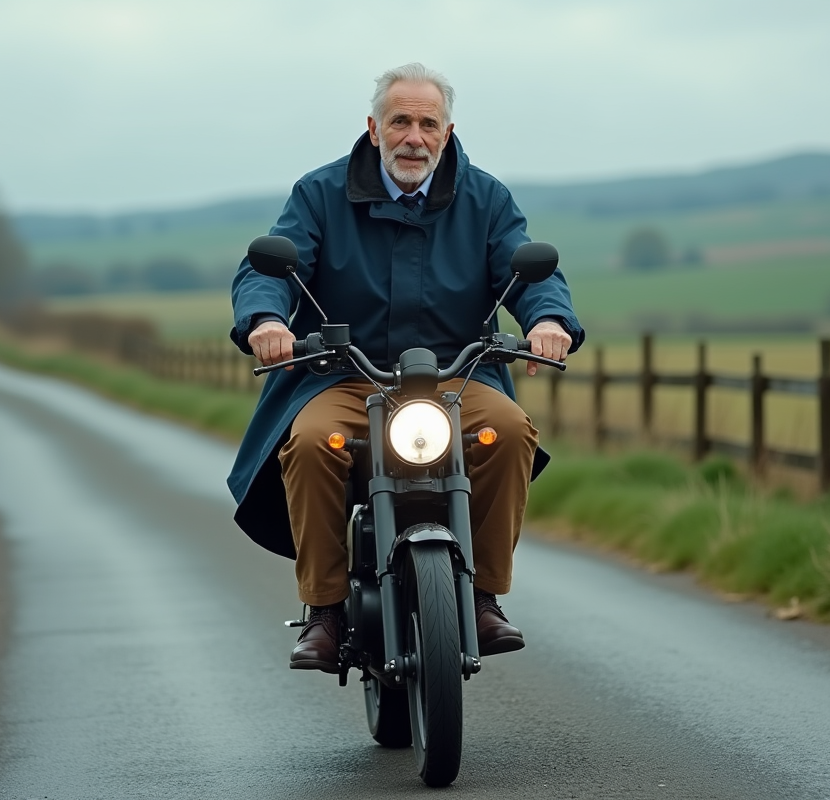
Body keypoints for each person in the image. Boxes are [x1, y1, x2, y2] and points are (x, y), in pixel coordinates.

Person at [227, 62, 584, 672]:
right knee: (311, 443)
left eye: (428, 124)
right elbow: (269, 272)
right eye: (399, 122)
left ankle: (483, 596)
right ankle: (325, 609)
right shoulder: (319, 194)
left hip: (457, 377)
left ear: (447, 132)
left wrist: (549, 320)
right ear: (374, 128)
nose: (413, 138)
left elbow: (528, 272)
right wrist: (266, 321)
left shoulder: (486, 199)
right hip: (344, 375)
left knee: (510, 431)